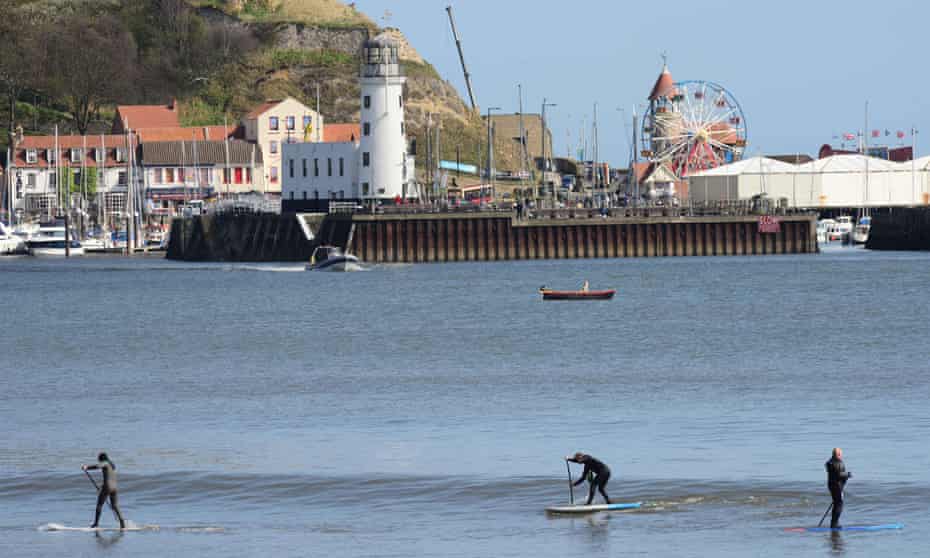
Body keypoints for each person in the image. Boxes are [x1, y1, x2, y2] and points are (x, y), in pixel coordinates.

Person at [82, 452, 126, 529]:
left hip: (108, 487)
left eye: (99, 459)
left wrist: (87, 467)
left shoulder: (105, 463)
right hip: (114, 487)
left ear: (101, 459)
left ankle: (96, 524)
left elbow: (98, 466)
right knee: (115, 506)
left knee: (99, 505)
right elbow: (109, 478)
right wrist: (102, 487)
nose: (99, 461)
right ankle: (122, 523)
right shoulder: (111, 466)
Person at [825, 447, 851, 528]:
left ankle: (834, 523)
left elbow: (836, 474)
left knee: (836, 503)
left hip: (831, 485)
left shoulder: (830, 462)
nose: (841, 456)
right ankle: (834, 524)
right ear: (838, 454)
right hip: (837, 486)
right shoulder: (838, 463)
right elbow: (839, 475)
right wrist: (848, 474)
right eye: (840, 454)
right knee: (839, 504)